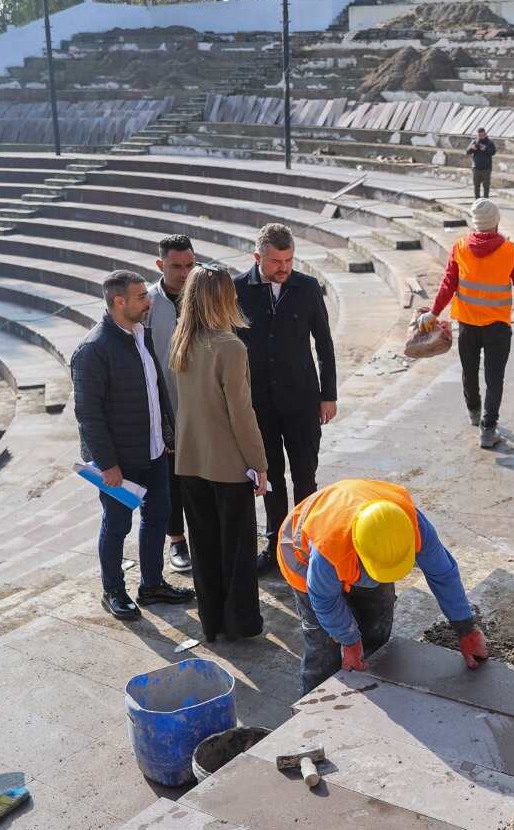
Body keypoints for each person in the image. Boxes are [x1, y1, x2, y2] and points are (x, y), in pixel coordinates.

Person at [278, 478, 490, 695]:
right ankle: (313, 710)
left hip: (354, 536)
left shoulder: (411, 525)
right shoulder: (329, 549)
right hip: (301, 554)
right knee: (323, 645)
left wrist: (466, 629)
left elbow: (443, 575)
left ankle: (371, 684)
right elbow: (325, 600)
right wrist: (349, 640)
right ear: (359, 553)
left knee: (377, 618)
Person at [70, 270, 194, 621]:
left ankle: (152, 584)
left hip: (155, 451)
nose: (148, 301)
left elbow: (156, 392)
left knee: (157, 517)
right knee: (117, 524)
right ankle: (113, 590)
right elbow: (88, 414)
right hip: (120, 463)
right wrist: (107, 464)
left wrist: (167, 437)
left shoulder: (142, 333)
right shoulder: (94, 349)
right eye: (141, 296)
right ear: (118, 301)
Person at [170, 263, 270, 642]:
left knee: (204, 546)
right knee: (238, 551)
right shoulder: (230, 347)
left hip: (190, 460)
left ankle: (211, 623)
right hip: (228, 464)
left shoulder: (182, 339)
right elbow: (241, 414)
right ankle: (241, 623)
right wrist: (259, 464)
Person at [234, 223, 337, 573]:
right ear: (257, 257)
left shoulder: (307, 287)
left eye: (289, 259)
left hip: (303, 401)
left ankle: (306, 541)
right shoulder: (236, 290)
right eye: (276, 261)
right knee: (271, 477)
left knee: (305, 474)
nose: (284, 267)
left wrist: (329, 395)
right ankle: (276, 543)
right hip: (258, 404)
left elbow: (324, 343)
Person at [417, 198, 514, 449]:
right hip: (498, 326)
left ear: (474, 223)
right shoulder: (509, 250)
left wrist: (434, 313)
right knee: (494, 377)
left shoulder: (460, 247)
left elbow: (448, 284)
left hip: (467, 324)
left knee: (469, 372)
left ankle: (474, 413)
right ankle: (488, 429)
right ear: (496, 222)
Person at [148, 234, 196, 574]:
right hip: (164, 405)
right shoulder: (147, 304)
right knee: (171, 480)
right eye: (176, 266)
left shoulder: (204, 294)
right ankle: (177, 539)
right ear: (160, 265)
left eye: (189, 265)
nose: (183, 273)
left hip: (201, 403)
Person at [467, 128, 497, 199]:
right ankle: (477, 200)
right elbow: (467, 152)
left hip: (486, 169)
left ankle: (486, 200)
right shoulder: (474, 142)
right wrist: (472, 149)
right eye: (479, 135)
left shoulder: (490, 142)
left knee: (486, 186)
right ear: (477, 135)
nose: (481, 137)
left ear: (485, 134)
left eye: (483, 135)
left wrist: (486, 149)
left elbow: (493, 152)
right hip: (476, 168)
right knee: (476, 186)